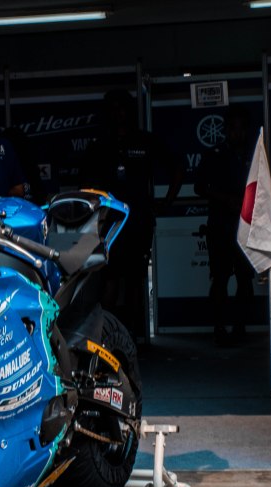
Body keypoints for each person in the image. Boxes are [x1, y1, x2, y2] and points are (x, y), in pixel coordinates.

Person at [80, 89, 183, 342]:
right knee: (109, 278)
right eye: (114, 109)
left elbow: (177, 168)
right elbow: (85, 186)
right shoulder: (100, 145)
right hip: (109, 223)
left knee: (136, 279)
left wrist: (166, 202)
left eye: (123, 108)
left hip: (138, 222)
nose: (119, 114)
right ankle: (104, 338)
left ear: (131, 111)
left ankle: (134, 338)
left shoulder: (145, 141)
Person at [194, 106, 255, 346]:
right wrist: (225, 198)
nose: (236, 133)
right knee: (220, 279)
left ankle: (240, 328)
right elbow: (199, 187)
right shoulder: (214, 154)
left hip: (247, 226)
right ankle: (219, 328)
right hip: (220, 226)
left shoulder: (255, 154)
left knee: (245, 280)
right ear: (225, 130)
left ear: (247, 130)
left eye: (241, 128)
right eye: (232, 128)